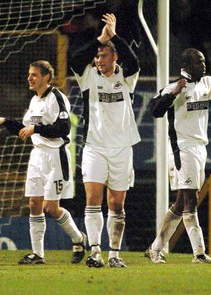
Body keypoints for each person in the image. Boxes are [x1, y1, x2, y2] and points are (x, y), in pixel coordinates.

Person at [145, 48, 211, 264]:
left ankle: (154, 249)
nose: (204, 65)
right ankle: (198, 253)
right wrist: (173, 93)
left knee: (181, 204)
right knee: (191, 199)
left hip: (199, 148)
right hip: (182, 148)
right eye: (199, 62)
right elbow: (155, 110)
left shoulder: (206, 83)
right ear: (186, 66)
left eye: (204, 61)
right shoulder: (174, 87)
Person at [0, 60, 86, 265]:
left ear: (46, 77)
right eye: (29, 74)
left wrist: (36, 129)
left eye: (34, 75)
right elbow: (25, 128)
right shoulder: (35, 101)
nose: (29, 78)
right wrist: (4, 121)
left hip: (55, 156)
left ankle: (78, 239)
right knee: (34, 204)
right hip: (37, 155)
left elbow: (63, 128)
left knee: (51, 208)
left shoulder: (57, 98)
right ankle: (37, 254)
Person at [70, 13, 141, 268]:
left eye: (104, 56)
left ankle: (114, 254)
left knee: (117, 204)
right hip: (95, 147)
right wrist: (100, 38)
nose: (99, 61)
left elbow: (134, 61)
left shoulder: (126, 77)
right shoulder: (89, 76)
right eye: (98, 57)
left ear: (115, 58)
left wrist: (115, 36)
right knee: (92, 199)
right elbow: (76, 58)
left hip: (122, 148)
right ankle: (96, 252)